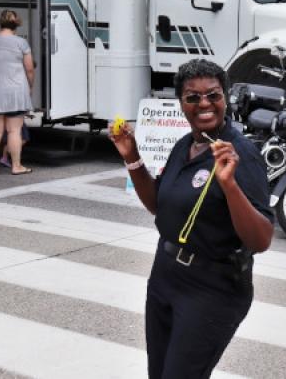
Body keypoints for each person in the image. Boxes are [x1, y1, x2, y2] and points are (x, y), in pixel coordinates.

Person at [108, 59, 274, 378]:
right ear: (181, 104)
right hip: (165, 277)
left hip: (212, 288)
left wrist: (229, 185)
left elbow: (261, 239)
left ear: (225, 98)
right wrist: (132, 157)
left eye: (213, 95)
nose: (204, 104)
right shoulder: (185, 146)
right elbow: (159, 203)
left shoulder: (240, 155)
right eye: (193, 97)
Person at [0, 10, 35, 176]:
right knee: (14, 130)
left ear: (0, 23)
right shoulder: (21, 43)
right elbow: (29, 68)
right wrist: (30, 86)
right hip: (15, 92)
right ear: (17, 24)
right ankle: (16, 166)